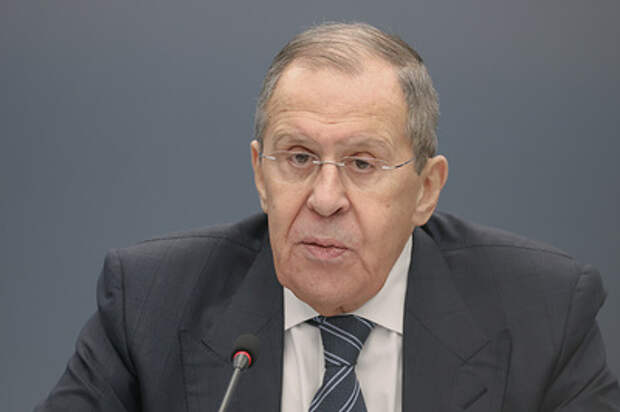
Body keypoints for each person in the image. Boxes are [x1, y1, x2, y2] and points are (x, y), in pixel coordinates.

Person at [36, 22, 619, 411]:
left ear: (426, 189)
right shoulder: (150, 303)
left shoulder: (543, 313)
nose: (325, 197)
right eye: (298, 158)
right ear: (260, 174)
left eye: (362, 163)